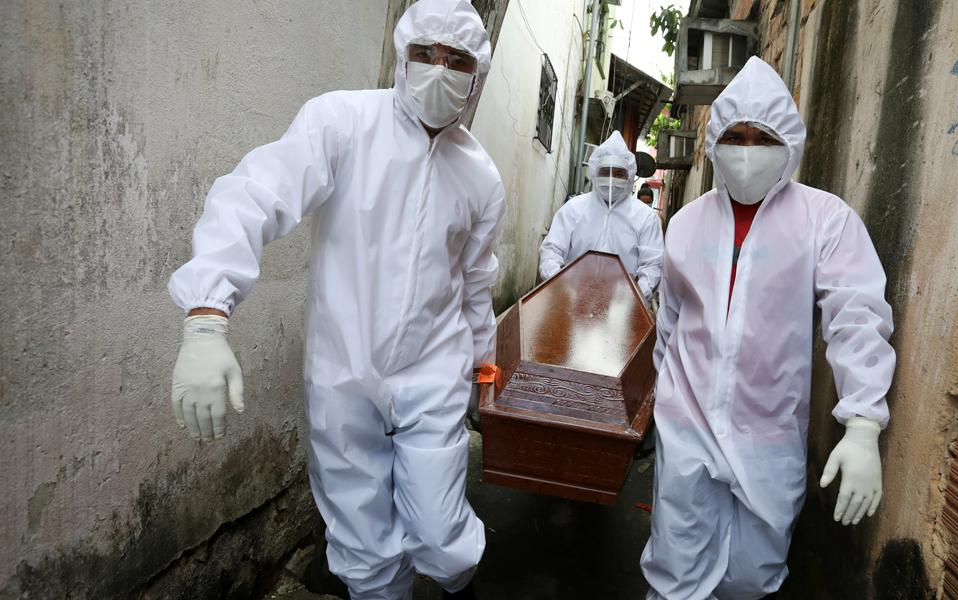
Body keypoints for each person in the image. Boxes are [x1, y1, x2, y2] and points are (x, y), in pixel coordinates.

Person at [167, 2, 500, 598]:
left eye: (456, 61)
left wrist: (485, 369)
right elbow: (253, 195)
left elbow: (475, 282)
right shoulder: (342, 122)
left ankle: (460, 580)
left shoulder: (481, 176)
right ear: (402, 56)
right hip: (344, 373)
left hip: (434, 372)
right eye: (424, 53)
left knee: (440, 537)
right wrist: (207, 315)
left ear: (476, 75)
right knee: (363, 545)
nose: (437, 69)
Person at [640, 57, 896, 599]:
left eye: (764, 136)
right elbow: (672, 322)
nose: (748, 149)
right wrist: (656, 399)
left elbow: (856, 314)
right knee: (676, 570)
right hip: (687, 424)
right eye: (736, 135)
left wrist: (864, 425)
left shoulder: (823, 220)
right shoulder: (685, 225)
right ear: (714, 140)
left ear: (790, 143)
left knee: (753, 576)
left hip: (770, 428)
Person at [539, 131, 663, 299]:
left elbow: (652, 265)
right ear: (595, 173)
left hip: (622, 310)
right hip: (571, 302)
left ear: (629, 176)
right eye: (605, 171)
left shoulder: (645, 217)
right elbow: (552, 250)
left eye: (619, 173)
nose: (611, 179)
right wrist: (560, 285)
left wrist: (635, 298)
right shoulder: (573, 209)